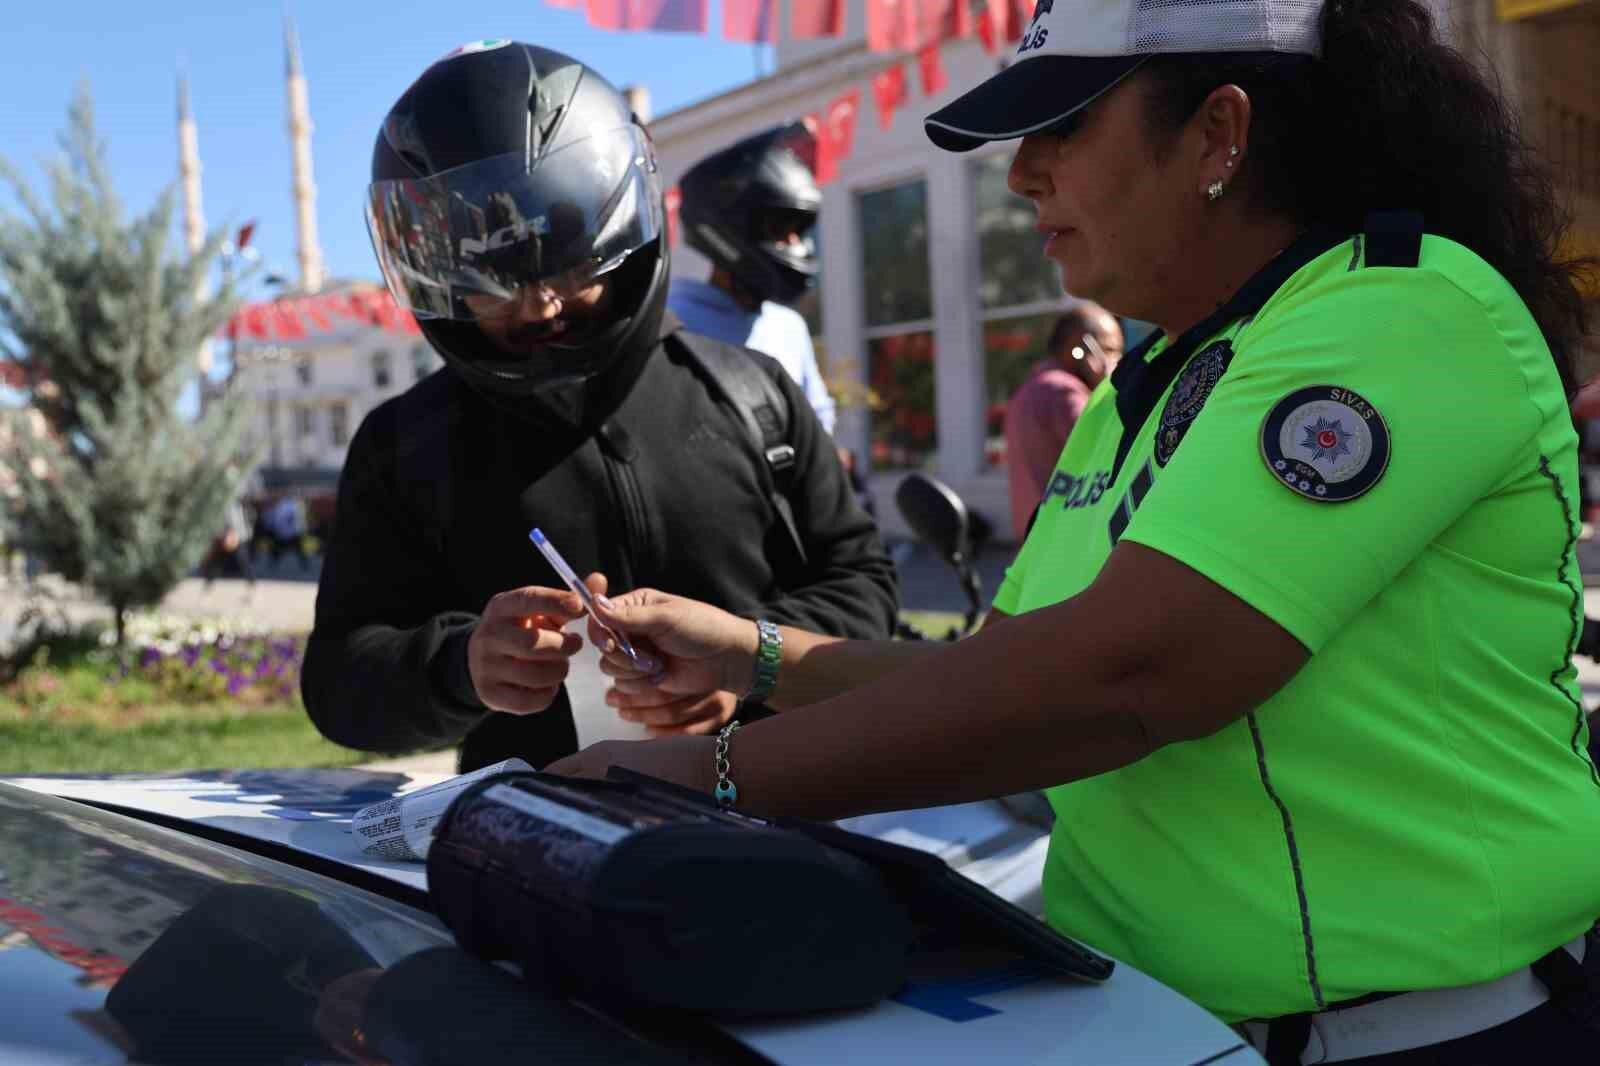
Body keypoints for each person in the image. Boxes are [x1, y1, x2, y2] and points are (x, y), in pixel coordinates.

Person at [550, 1, 1600, 1060]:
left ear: (1217, 134)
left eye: (1066, 127)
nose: (1021, 173)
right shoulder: (1151, 380)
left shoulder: (1399, 311)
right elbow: (1007, 670)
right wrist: (755, 652)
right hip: (1164, 1021)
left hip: (1421, 1036)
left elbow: (1126, 677)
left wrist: (696, 781)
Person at [301, 41, 897, 773]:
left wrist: (749, 666)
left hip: (787, 818)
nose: (543, 304)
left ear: (623, 239)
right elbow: (339, 681)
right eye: (497, 286)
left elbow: (864, 590)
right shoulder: (405, 447)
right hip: (541, 851)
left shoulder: (755, 396)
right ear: (442, 285)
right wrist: (462, 665)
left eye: (573, 268)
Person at [668, 122, 837, 434]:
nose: (794, 246)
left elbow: (818, 433)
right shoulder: (668, 324)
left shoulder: (789, 328)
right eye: (779, 229)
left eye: (798, 231)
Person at [1004, 302, 1124, 536]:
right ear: (1080, 348)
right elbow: (1111, 454)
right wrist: (1111, 387)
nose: (1119, 361)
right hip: (1065, 539)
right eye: (1110, 350)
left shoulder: (1029, 389)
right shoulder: (1065, 393)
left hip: (1033, 542)